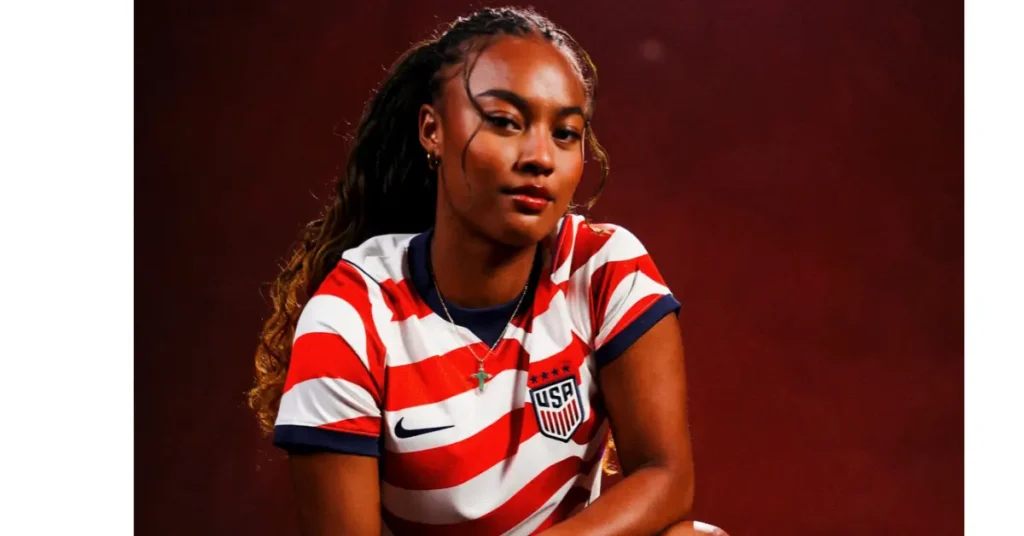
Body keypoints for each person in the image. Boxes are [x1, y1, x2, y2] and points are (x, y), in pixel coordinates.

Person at [248, 6, 728, 536]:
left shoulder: (603, 269)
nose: (540, 157)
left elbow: (665, 475)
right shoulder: (350, 316)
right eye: (504, 122)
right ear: (432, 129)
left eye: (565, 133)